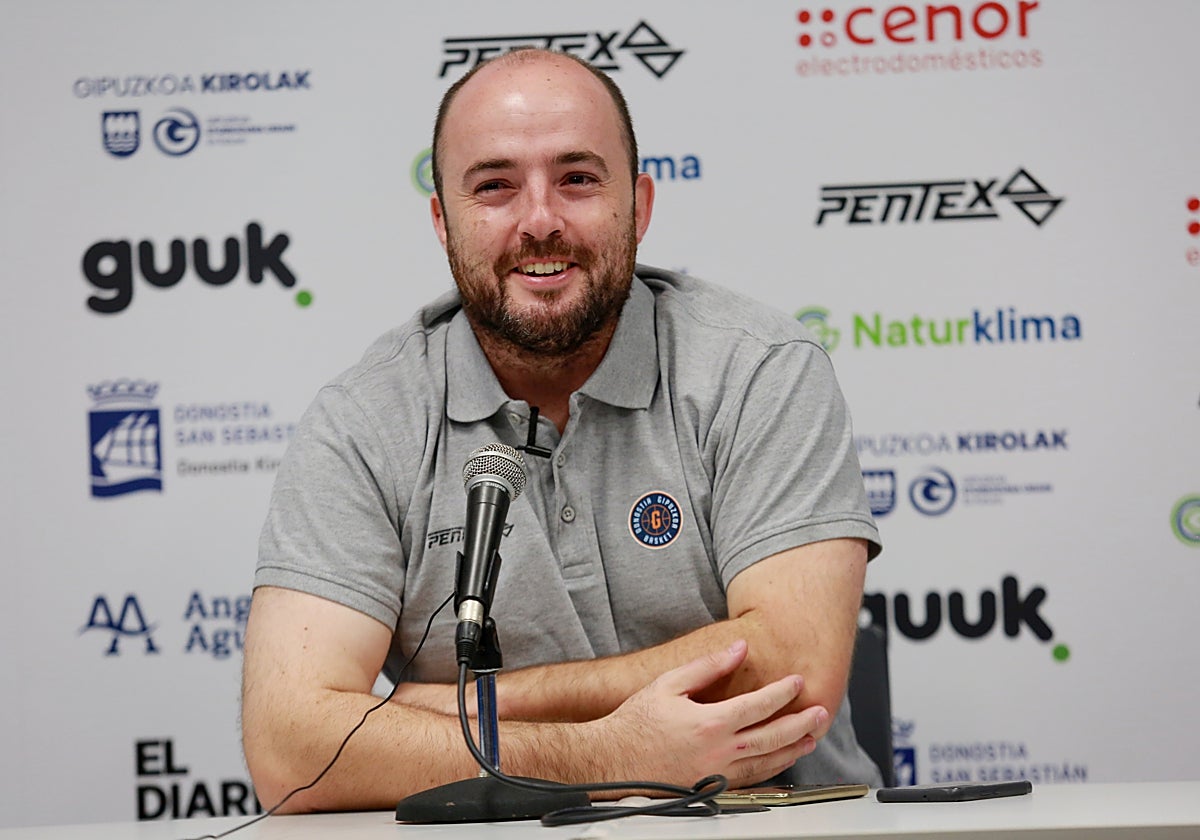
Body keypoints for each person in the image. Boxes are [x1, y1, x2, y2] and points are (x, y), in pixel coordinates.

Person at [242, 47, 882, 813]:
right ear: (443, 221)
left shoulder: (757, 370)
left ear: (639, 206)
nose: (539, 220)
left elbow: (790, 670)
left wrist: (468, 705)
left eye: (578, 179)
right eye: (495, 187)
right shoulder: (365, 422)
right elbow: (291, 747)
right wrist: (611, 752)